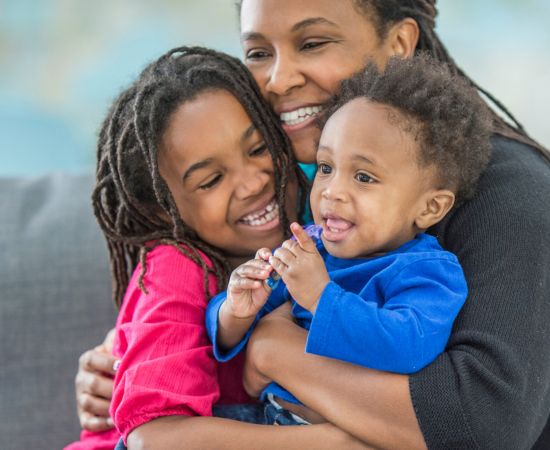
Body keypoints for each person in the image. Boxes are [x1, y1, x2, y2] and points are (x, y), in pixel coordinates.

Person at [76, 1, 550, 448]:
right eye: (259, 52)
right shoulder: (302, 187)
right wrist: (131, 353)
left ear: (400, 43)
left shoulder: (513, 192)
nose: (279, 80)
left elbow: (485, 423)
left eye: (313, 43)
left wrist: (274, 351)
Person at [66, 45, 374, 450]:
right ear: (160, 210)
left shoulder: (323, 216)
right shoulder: (175, 267)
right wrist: (337, 443)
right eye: (210, 180)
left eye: (259, 148)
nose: (253, 183)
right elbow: (153, 439)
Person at [207, 54, 491, 426]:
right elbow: (231, 325)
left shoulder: (427, 272)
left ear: (429, 208)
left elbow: (409, 346)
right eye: (326, 168)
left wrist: (322, 298)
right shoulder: (310, 247)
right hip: (267, 414)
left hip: (334, 431)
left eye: (364, 177)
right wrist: (236, 310)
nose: (331, 192)